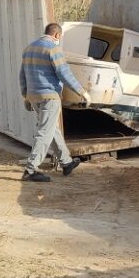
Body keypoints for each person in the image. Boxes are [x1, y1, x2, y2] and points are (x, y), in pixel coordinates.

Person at [19, 22, 91, 182]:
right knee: (45, 132)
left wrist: (25, 95)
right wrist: (82, 92)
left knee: (52, 129)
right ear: (57, 35)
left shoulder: (29, 49)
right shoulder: (53, 48)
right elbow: (64, 73)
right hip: (49, 97)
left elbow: (22, 75)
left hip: (34, 96)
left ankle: (66, 162)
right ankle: (30, 170)